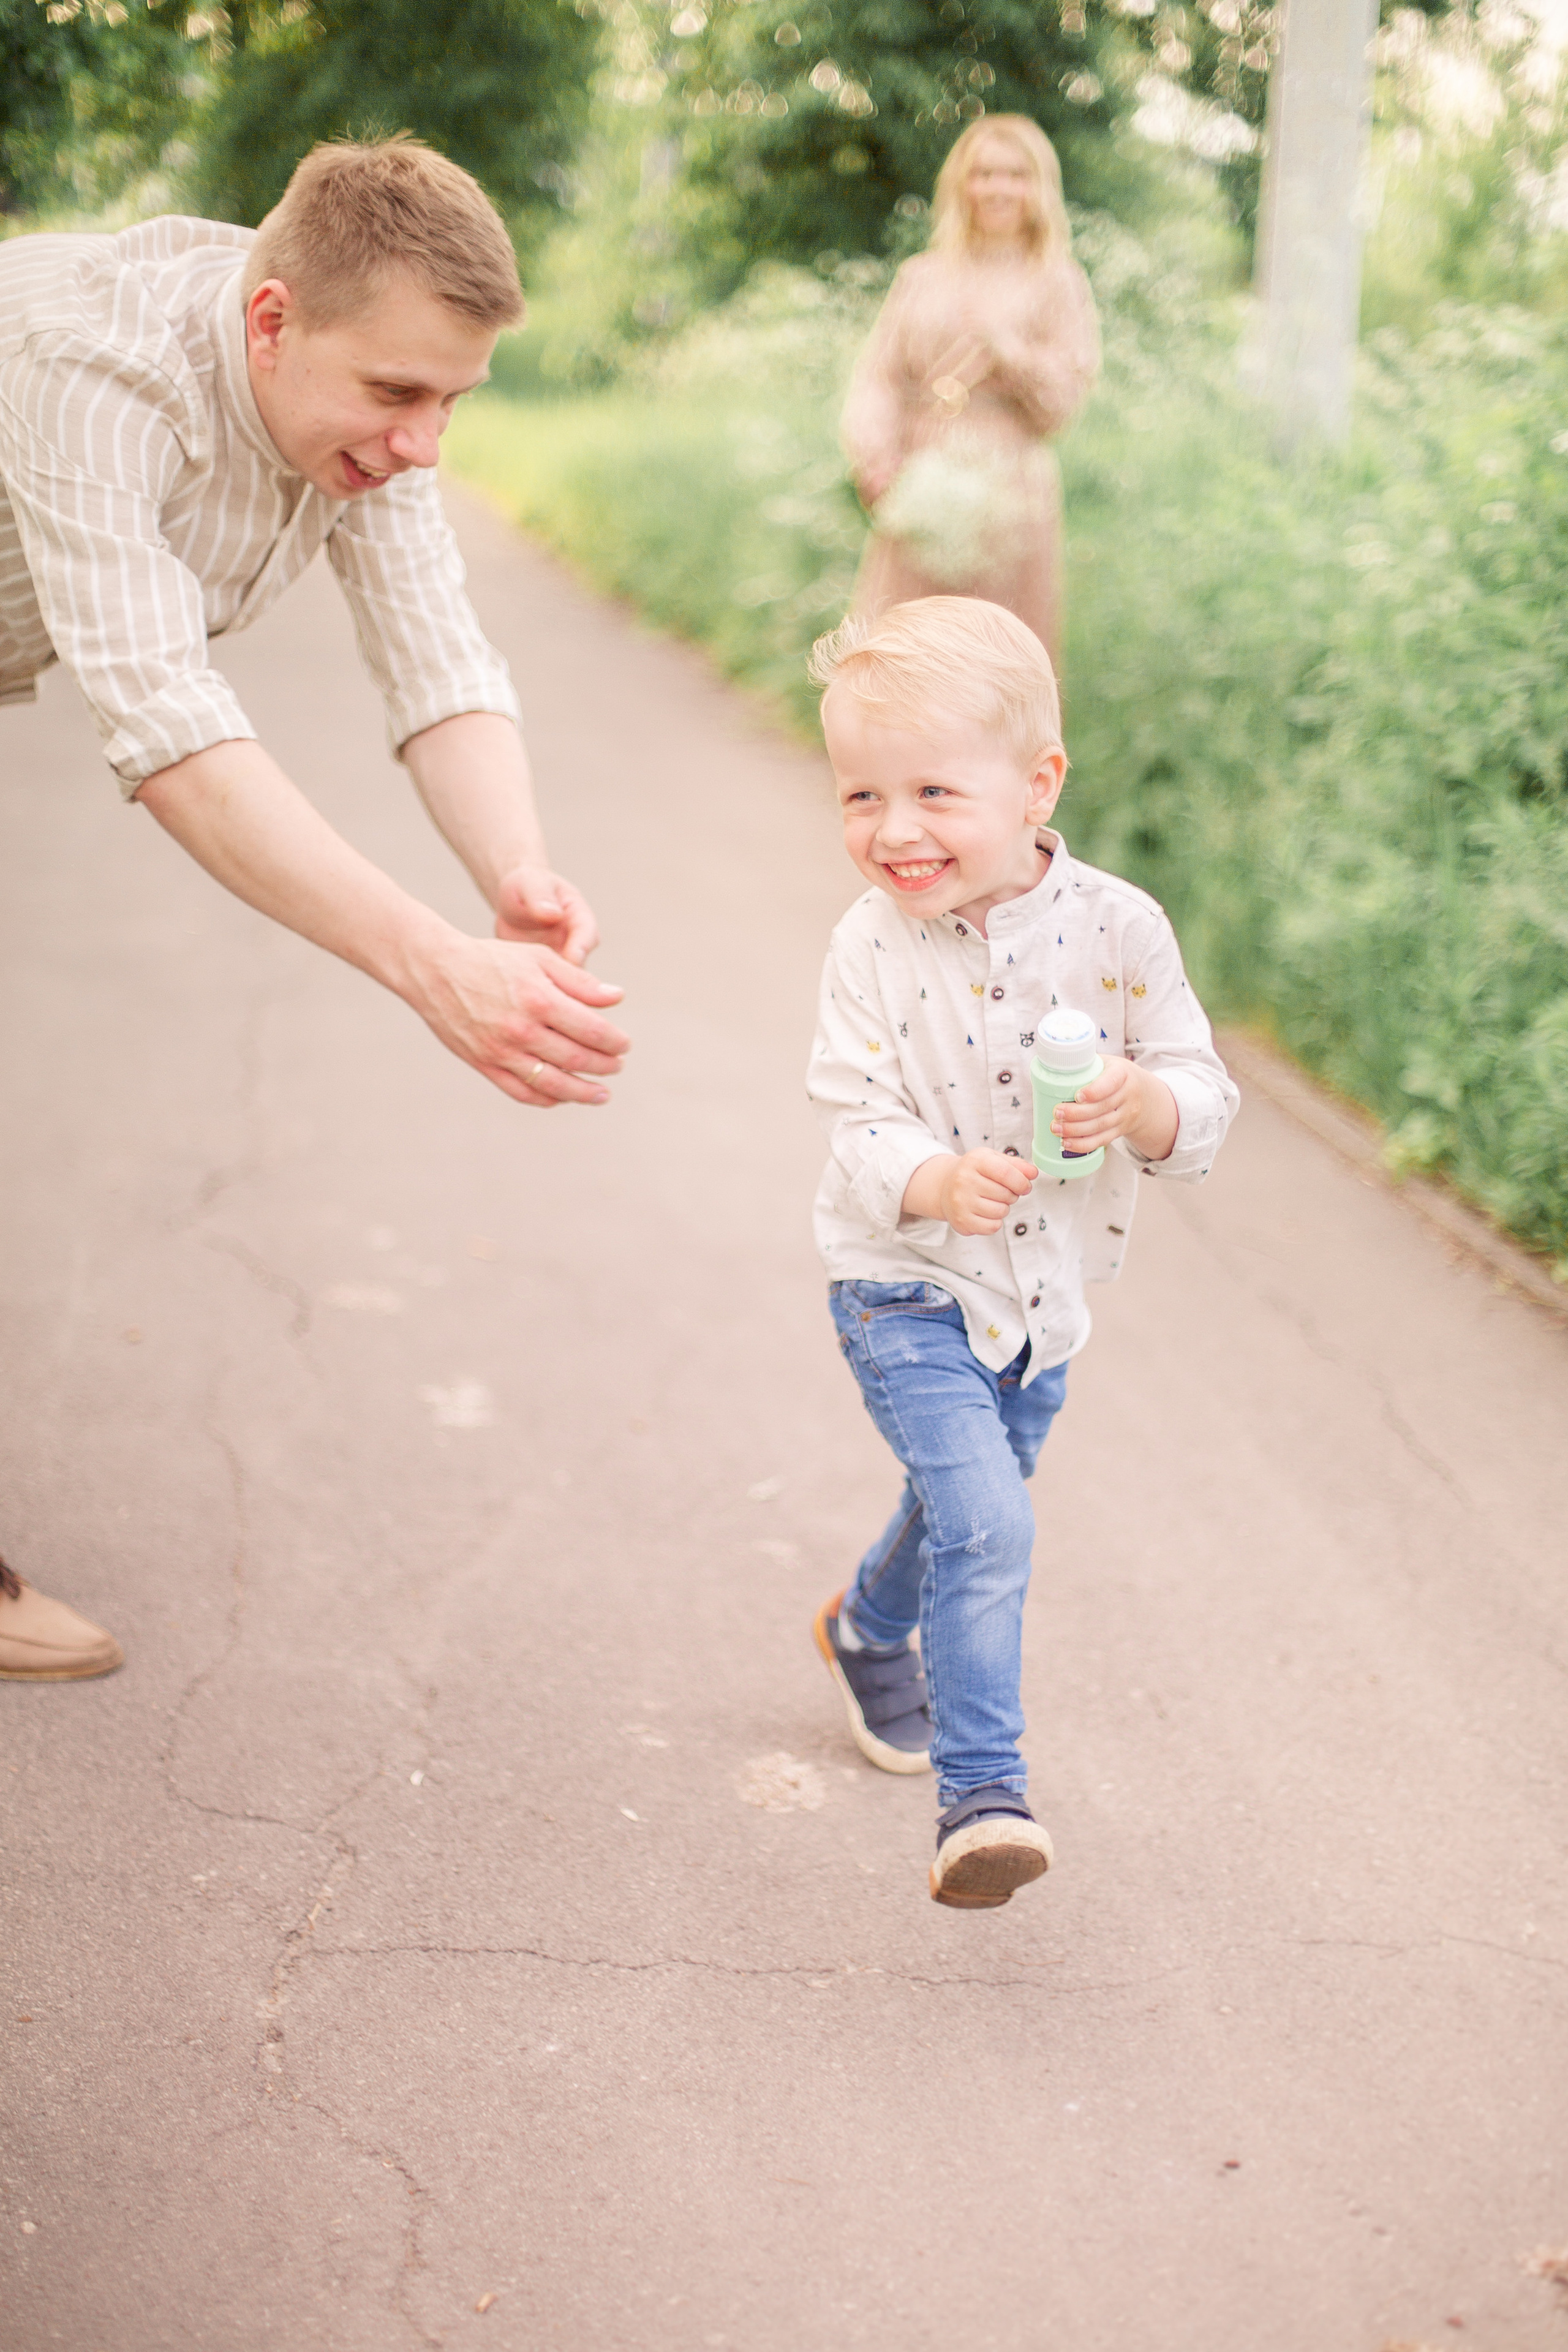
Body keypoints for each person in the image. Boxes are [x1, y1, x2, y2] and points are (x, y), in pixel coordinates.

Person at [0, 136, 630, 1681]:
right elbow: (170, 733)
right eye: (398, 394)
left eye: (452, 402)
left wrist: (512, 877)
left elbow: (436, 655)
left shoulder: (358, 411)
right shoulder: (95, 370)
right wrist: (430, 968)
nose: (423, 441)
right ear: (269, 322)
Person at [805, 598, 1237, 1908]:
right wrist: (933, 1179)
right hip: (901, 1285)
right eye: (861, 795)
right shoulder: (869, 944)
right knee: (988, 1523)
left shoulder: (1119, 930)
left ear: (1037, 783)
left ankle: (865, 1626)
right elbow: (854, 1118)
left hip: (1043, 1302)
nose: (893, 831)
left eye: (933, 792)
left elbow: (1200, 1091)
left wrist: (1143, 1104)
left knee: (961, 1502)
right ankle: (982, 1798)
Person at [841, 115, 1099, 670]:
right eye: (984, 173)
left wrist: (1013, 354)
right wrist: (876, 458)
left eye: (1015, 174)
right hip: (920, 472)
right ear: (962, 184)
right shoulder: (921, 276)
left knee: (995, 660)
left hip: (1012, 487)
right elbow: (879, 376)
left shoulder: (1059, 281)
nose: (998, 188)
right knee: (905, 650)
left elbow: (1062, 405)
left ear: (1038, 187)